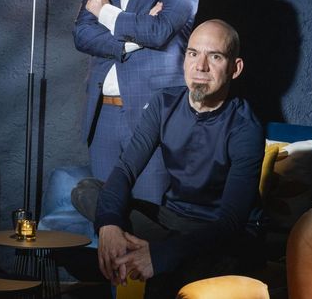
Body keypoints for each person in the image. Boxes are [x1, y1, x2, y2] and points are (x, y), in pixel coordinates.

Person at [90, 20, 264, 298]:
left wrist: (158, 256)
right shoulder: (164, 104)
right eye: (193, 53)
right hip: (173, 220)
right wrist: (109, 226)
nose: (201, 66)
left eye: (215, 57)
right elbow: (125, 170)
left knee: (200, 262)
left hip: (221, 232)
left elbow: (231, 222)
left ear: (235, 68)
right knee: (87, 191)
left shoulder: (245, 127)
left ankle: (168, 257)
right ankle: (165, 251)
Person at [73, 0, 199, 204]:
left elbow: (160, 31)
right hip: (103, 116)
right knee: (105, 215)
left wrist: (104, 12)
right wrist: (133, 38)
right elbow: (82, 34)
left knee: (147, 216)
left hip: (153, 116)